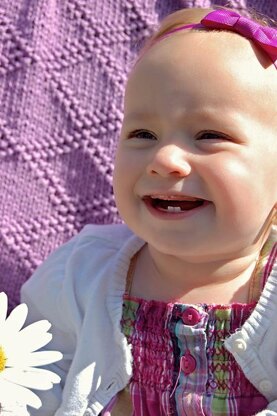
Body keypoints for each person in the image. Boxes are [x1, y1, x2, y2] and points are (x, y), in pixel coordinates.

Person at [21, 6, 277, 416]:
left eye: (209, 135)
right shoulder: (81, 272)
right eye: (143, 133)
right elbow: (31, 380)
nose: (165, 158)